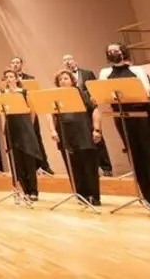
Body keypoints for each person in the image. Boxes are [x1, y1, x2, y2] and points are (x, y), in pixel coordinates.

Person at [99, 42, 150, 210]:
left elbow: (148, 91)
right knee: (134, 154)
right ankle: (147, 196)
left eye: (116, 50)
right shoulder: (105, 72)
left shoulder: (138, 70)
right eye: (110, 51)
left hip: (143, 115)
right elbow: (102, 93)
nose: (113, 52)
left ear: (123, 51)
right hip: (122, 116)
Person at [49, 70, 102, 206]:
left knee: (89, 166)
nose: (63, 81)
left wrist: (96, 129)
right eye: (60, 80)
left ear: (72, 80)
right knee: (73, 167)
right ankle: (80, 195)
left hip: (84, 134)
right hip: (66, 136)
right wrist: (52, 130)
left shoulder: (83, 94)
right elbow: (50, 114)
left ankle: (94, 196)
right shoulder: (57, 96)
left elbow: (95, 110)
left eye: (66, 78)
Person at [62, 54, 113, 176]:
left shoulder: (87, 73)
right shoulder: (63, 78)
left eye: (69, 59)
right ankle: (90, 170)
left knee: (97, 137)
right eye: (65, 60)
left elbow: (95, 87)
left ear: (74, 60)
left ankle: (106, 167)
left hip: (89, 108)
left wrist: (95, 98)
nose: (68, 62)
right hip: (75, 113)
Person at [0, 70, 43, 200]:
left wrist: (28, 126)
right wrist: (3, 127)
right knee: (16, 160)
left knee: (28, 158)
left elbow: (33, 111)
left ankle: (33, 190)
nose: (9, 79)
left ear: (16, 78)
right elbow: (2, 113)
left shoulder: (24, 92)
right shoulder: (3, 94)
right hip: (11, 127)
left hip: (25, 127)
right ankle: (23, 190)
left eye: (11, 76)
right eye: (6, 77)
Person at [10, 56, 53, 175]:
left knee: (36, 138)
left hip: (30, 112)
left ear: (21, 64)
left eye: (17, 62)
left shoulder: (30, 79)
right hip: (16, 117)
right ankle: (29, 168)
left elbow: (34, 95)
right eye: (13, 63)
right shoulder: (7, 82)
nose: (15, 65)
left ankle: (44, 165)